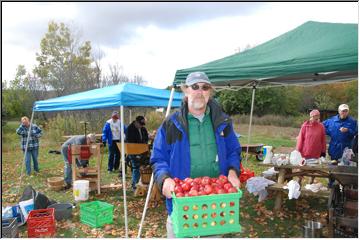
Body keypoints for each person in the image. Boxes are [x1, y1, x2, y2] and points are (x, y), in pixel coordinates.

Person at [150, 71, 241, 237]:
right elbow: (158, 157)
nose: (200, 91)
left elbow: (233, 150)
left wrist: (233, 172)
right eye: (195, 87)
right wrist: (164, 179)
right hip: (182, 203)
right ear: (186, 91)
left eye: (205, 87)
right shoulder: (171, 123)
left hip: (215, 203)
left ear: (210, 92)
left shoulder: (223, 122)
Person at [125, 115, 149, 191]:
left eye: (142, 125)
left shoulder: (143, 129)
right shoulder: (130, 129)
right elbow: (130, 141)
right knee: (136, 167)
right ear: (136, 122)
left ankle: (140, 183)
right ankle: (135, 186)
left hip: (142, 151)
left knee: (142, 167)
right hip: (133, 150)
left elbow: (146, 138)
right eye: (140, 124)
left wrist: (145, 144)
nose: (141, 126)